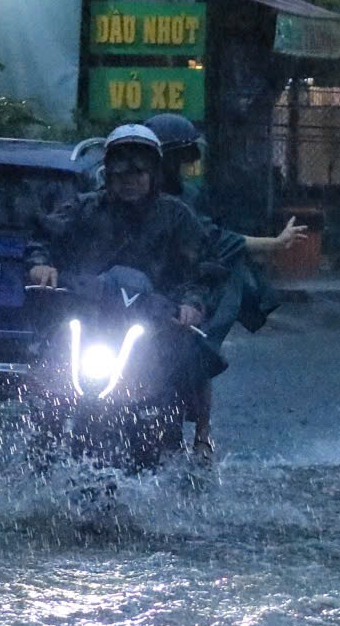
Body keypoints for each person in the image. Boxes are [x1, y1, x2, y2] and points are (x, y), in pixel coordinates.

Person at [26, 123, 221, 458]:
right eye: (120, 174)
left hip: (155, 323)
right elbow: (44, 236)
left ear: (153, 175)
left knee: (197, 354)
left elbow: (205, 269)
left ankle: (202, 437)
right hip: (91, 318)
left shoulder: (176, 216)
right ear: (108, 175)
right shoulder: (85, 208)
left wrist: (191, 303)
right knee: (46, 354)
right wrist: (42, 263)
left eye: (137, 174)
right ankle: (43, 438)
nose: (128, 182)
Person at [142, 112, 308, 461]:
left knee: (199, 353)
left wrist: (275, 243)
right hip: (139, 289)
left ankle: (203, 435)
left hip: (188, 286)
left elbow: (215, 239)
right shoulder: (121, 194)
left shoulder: (188, 197)